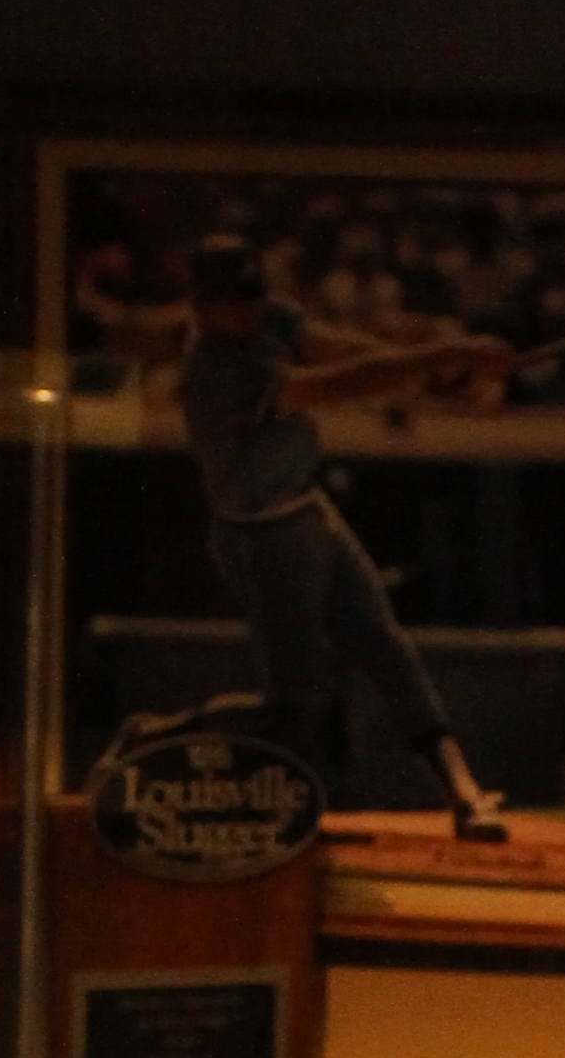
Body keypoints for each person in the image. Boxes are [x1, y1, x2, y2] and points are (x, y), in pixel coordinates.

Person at [166, 231, 508, 834]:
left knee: (387, 647)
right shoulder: (213, 371)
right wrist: (445, 357)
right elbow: (337, 384)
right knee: (296, 703)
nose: (247, 310)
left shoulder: (266, 316)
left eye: (251, 296)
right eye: (232, 301)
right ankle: (164, 737)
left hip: (308, 512)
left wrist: (438, 375)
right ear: (200, 304)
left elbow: (336, 348)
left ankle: (462, 793)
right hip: (260, 539)